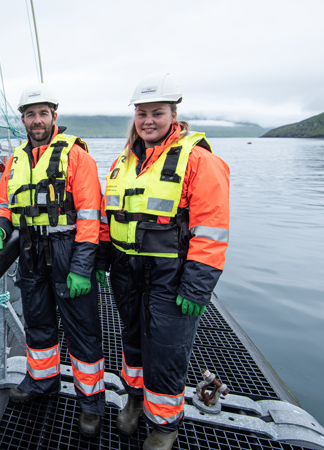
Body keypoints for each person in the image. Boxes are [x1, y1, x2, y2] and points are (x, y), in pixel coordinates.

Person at [96, 73, 230, 450]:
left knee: (167, 350)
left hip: (171, 273)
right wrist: (102, 260)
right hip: (126, 270)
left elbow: (212, 229)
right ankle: (135, 399)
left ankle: (164, 425)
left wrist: (197, 286)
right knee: (133, 341)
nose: (148, 121)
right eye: (142, 113)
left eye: (157, 113)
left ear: (174, 114)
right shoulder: (122, 162)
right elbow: (110, 218)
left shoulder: (199, 160)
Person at [0, 83, 106, 437]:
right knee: (38, 323)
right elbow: (4, 204)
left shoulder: (76, 155)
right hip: (31, 251)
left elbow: (91, 214)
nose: (37, 120)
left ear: (54, 117)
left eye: (43, 113)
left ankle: (91, 403)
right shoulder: (16, 159)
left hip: (68, 249)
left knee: (83, 330)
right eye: (30, 114)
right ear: (23, 119)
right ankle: (42, 380)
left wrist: (82, 266)